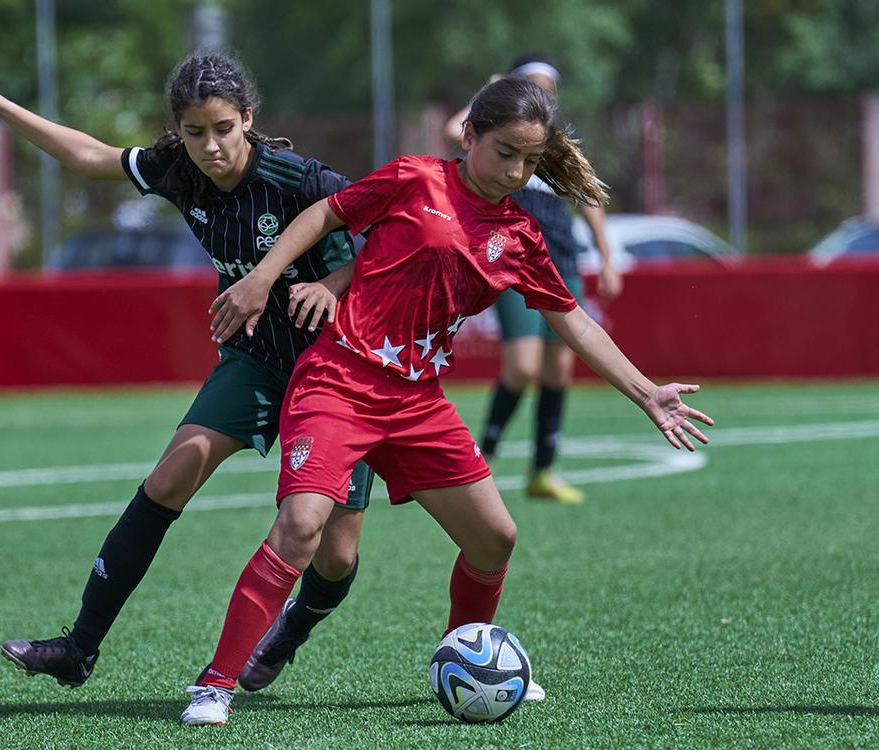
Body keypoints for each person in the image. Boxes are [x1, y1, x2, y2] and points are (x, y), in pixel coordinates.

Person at [180, 76, 713, 726]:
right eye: (505, 152)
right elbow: (327, 213)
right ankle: (215, 685)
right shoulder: (414, 177)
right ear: (470, 137)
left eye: (530, 160)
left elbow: (573, 321)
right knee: (301, 528)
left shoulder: (518, 233)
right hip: (339, 381)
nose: (515, 171)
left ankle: (468, 656)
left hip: (417, 403)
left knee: (495, 538)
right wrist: (265, 277)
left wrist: (645, 393)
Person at [0, 53, 375, 688]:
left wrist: (334, 283)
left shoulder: (299, 178)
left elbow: (392, 237)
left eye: (224, 128)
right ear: (178, 130)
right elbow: (89, 155)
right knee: (170, 476)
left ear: (247, 120)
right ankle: (78, 648)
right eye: (194, 132)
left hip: (334, 365)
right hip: (255, 360)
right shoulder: (178, 169)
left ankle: (290, 631)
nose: (210, 145)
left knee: (334, 555)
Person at [444, 54, 622, 503]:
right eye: (531, 84)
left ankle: (543, 470)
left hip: (559, 257)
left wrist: (606, 256)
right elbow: (454, 132)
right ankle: (482, 454)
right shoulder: (504, 138)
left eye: (549, 87)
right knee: (522, 366)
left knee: (559, 368)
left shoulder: (555, 145)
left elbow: (588, 197)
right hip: (507, 255)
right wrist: (489, 90)